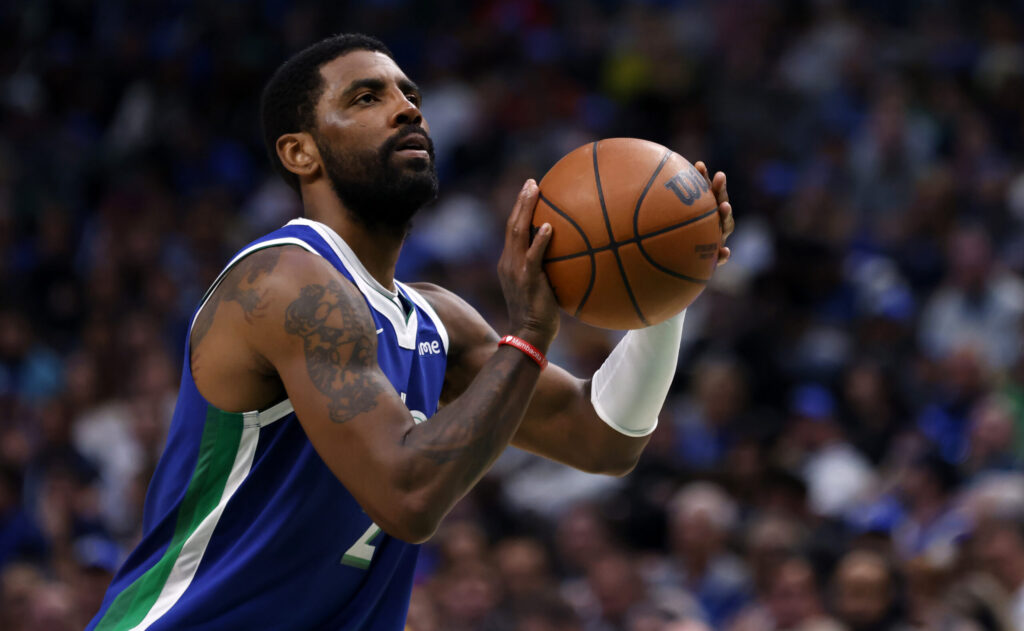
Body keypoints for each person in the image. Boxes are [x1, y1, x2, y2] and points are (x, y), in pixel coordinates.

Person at [86, 33, 734, 630]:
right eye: (367, 98)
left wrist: (668, 286)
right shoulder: (284, 280)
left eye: (410, 95)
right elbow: (408, 495)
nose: (406, 109)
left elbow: (604, 438)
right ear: (299, 151)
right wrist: (531, 332)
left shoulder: (434, 319)